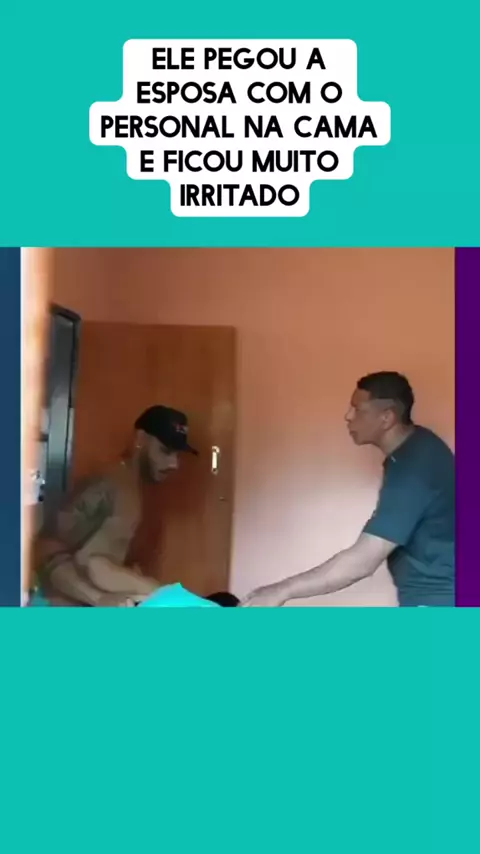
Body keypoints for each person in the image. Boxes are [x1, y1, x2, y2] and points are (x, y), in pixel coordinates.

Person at [242, 372, 455, 608]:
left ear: (387, 417)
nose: (348, 416)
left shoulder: (414, 469)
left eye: (358, 409)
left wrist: (281, 591)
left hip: (441, 604)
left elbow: (363, 561)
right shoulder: (416, 447)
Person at [34, 406, 198, 606]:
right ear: (140, 440)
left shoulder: (137, 489)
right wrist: (98, 598)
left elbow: (101, 561)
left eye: (178, 455)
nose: (174, 464)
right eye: (165, 451)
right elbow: (45, 553)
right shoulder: (104, 486)